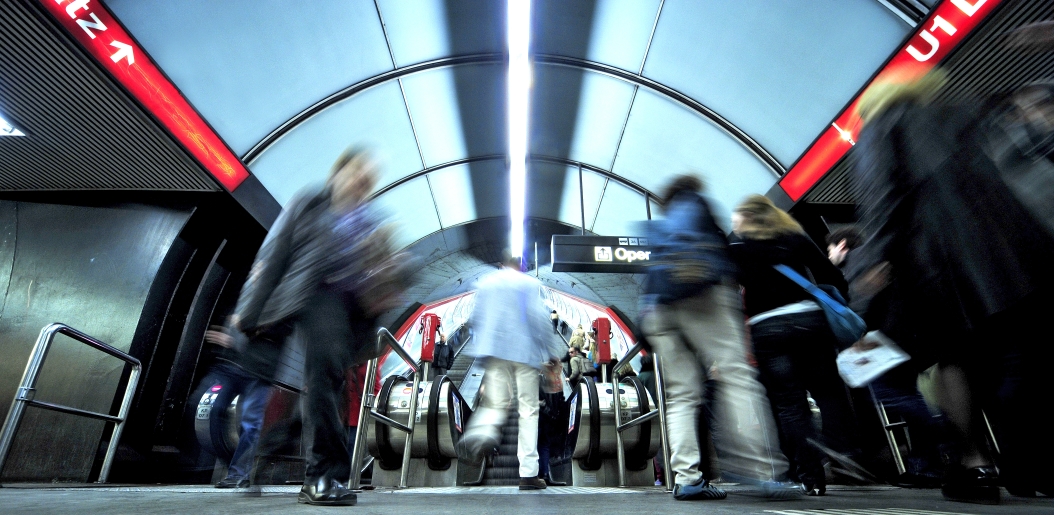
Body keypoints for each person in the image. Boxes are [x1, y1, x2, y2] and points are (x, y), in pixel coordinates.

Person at [848, 66, 1054, 501]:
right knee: (1016, 355)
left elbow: (883, 194)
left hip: (939, 257)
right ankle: (1030, 464)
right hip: (1010, 249)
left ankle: (974, 465)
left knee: (955, 358)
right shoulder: (958, 111)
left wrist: (874, 261)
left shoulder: (882, 122)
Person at [233, 147, 406, 506]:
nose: (362, 181)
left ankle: (285, 460)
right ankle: (320, 477)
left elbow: (382, 277)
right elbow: (274, 253)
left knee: (324, 387)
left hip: (344, 312)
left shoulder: (370, 220)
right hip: (309, 296)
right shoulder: (311, 201)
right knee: (315, 382)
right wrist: (249, 311)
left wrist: (388, 269)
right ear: (338, 170)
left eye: (369, 178)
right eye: (357, 171)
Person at [641, 175, 798, 501]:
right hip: (700, 294)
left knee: (682, 395)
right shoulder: (693, 203)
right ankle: (764, 471)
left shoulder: (665, 223)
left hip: (657, 308)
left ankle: (688, 479)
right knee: (737, 376)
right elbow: (710, 255)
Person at [728, 195, 861, 497]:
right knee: (829, 392)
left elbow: (728, 292)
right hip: (808, 322)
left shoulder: (736, 248)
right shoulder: (794, 237)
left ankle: (811, 477)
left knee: (790, 406)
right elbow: (831, 275)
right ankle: (842, 453)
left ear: (745, 217)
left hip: (767, 330)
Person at [456, 251, 564, 491]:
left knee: (496, 403)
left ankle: (484, 431)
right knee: (528, 410)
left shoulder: (486, 282)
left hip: (494, 352)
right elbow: (540, 319)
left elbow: (474, 319)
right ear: (522, 266)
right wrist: (551, 353)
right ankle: (528, 474)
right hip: (524, 354)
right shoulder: (529, 284)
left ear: (500, 263)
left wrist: (481, 347)